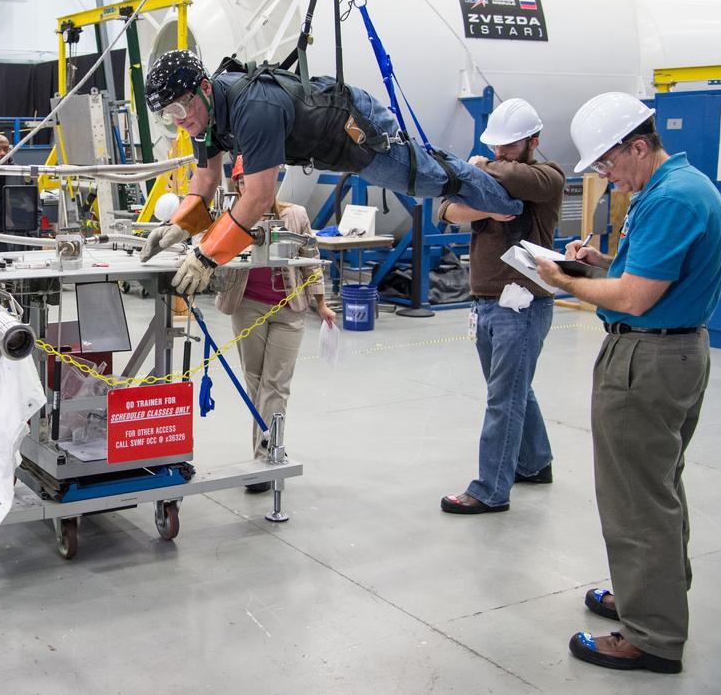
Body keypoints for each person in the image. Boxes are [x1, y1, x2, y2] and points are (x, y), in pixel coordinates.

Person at [534, 92, 721, 675]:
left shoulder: (671, 199)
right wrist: (597, 265)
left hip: (648, 360)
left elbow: (636, 298)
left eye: (608, 165)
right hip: (671, 352)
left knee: (635, 497)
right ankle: (652, 594)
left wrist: (561, 280)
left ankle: (651, 635)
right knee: (656, 483)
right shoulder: (678, 187)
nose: (606, 177)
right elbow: (640, 275)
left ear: (638, 148)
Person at [140, 50, 524, 294]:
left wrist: (207, 255)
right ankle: (485, 179)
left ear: (204, 88)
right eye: (167, 115)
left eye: (179, 110)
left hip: (354, 132)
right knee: (430, 177)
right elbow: (205, 178)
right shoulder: (202, 117)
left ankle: (512, 198)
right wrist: (178, 225)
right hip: (328, 145)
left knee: (429, 180)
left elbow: (257, 197)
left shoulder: (252, 109)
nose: (178, 122)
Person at [436, 99, 565, 515]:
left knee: (503, 398)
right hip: (488, 302)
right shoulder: (495, 174)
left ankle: (490, 490)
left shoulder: (547, 177)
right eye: (496, 147)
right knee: (513, 390)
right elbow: (447, 208)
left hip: (523, 304)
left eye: (510, 147)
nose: (500, 154)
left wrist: (474, 168)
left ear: (534, 142)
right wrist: (488, 206)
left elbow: (508, 175)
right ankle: (534, 462)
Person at [215, 155, 336, 491]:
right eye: (241, 181)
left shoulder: (294, 215)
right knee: (255, 382)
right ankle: (266, 453)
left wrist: (322, 304)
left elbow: (310, 259)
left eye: (252, 179)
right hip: (247, 307)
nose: (247, 185)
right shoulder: (231, 219)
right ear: (237, 184)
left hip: (289, 308)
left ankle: (267, 458)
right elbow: (213, 256)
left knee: (276, 384)